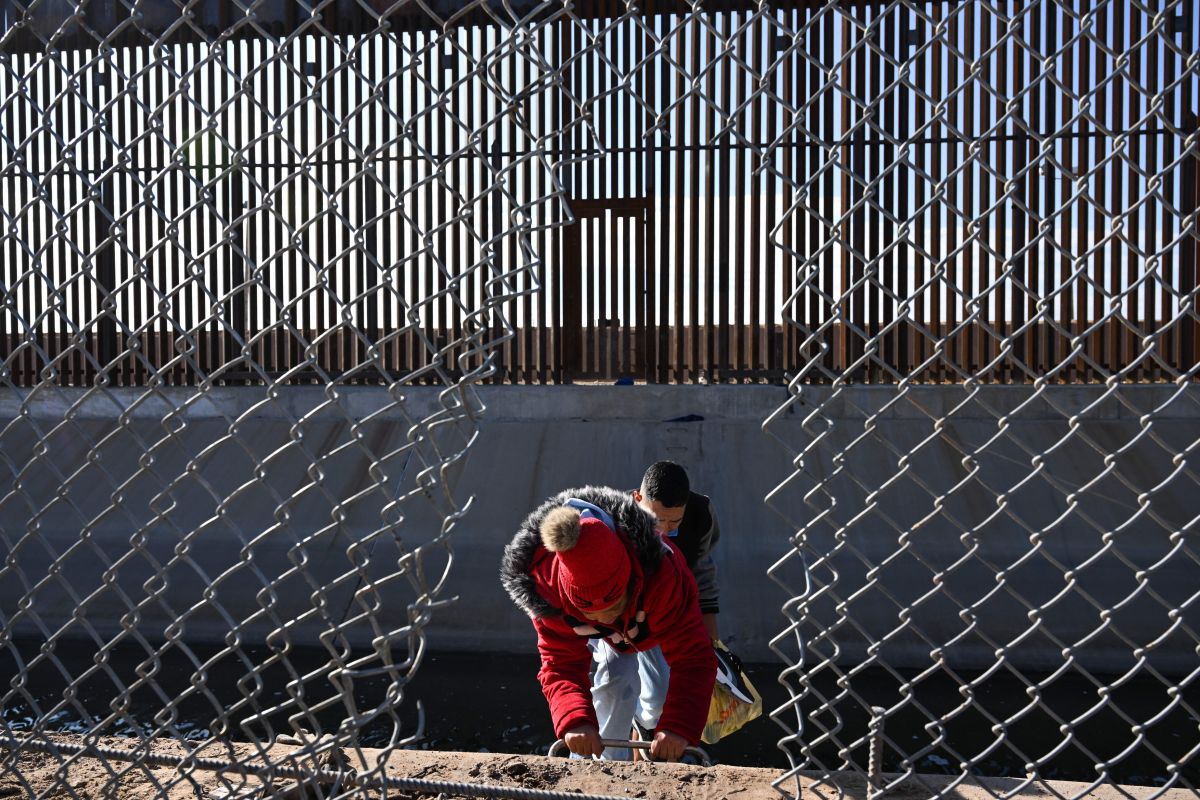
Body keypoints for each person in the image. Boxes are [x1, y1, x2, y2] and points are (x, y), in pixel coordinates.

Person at [499, 486, 716, 761]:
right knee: (616, 684)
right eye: (592, 612)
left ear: (630, 581)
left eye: (612, 606)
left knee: (660, 697)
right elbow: (560, 663)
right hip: (611, 633)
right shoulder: (548, 592)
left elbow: (694, 658)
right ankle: (597, 768)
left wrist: (678, 727)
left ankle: (649, 733)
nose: (604, 617)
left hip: (651, 621)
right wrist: (575, 721)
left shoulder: (664, 576)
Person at [581, 461, 723, 758]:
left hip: (665, 613)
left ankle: (643, 728)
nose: (664, 530)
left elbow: (702, 575)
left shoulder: (701, 516)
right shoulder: (611, 519)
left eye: (674, 523)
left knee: (658, 698)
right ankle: (603, 771)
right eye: (655, 520)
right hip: (616, 615)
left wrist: (713, 644)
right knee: (614, 686)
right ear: (636, 500)